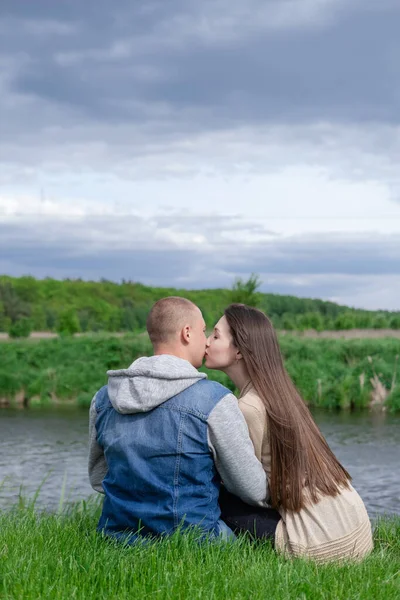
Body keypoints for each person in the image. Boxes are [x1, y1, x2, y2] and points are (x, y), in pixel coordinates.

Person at [88, 296, 268, 543]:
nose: (206, 341)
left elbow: (99, 479)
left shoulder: (103, 398)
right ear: (186, 333)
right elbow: (253, 490)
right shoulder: (214, 400)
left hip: (116, 538)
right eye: (203, 330)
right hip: (197, 542)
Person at [205, 303, 374, 562]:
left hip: (319, 544)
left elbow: (255, 493)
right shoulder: (280, 393)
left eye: (215, 335)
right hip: (355, 529)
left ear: (238, 350)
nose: (207, 342)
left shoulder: (248, 406)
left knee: (211, 492)